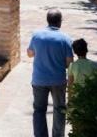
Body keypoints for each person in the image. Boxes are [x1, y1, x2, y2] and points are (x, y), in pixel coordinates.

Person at [27, 9, 73, 137]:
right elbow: (69, 63)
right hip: (58, 80)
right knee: (59, 110)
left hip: (39, 80)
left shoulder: (36, 35)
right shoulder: (65, 38)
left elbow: (30, 53)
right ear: (59, 22)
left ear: (48, 20)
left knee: (39, 110)